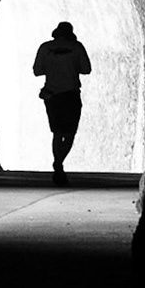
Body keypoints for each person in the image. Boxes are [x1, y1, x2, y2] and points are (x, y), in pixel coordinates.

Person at [33, 21, 91, 186]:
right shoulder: (77, 47)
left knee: (57, 132)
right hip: (71, 94)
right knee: (70, 132)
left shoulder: (45, 48)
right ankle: (59, 162)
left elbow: (37, 71)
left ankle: (57, 164)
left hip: (51, 95)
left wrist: (53, 66)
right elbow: (86, 69)